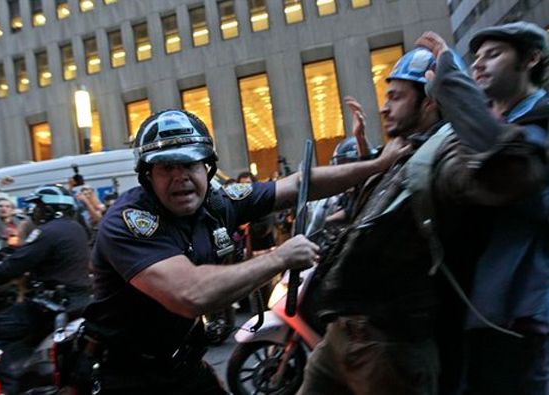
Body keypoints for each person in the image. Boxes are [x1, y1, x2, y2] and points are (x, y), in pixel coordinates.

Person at [79, 109, 409, 394]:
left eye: (190, 164)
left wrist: (377, 165)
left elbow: (298, 185)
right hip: (125, 379)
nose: (180, 177)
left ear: (207, 167)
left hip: (183, 366)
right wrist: (279, 257)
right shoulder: (129, 221)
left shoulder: (218, 201)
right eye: (166, 167)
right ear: (148, 176)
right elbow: (190, 293)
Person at [297, 40, 546, 395]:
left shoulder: (447, 154)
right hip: (341, 334)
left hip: (390, 345)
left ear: (429, 100)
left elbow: (510, 172)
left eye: (396, 97)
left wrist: (453, 83)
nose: (384, 108)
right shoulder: (401, 152)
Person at [418, 23, 549, 394]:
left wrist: (450, 78)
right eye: (475, 58)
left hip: (522, 307)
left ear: (531, 59)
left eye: (493, 55)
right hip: (480, 308)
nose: (479, 65)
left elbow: (505, 167)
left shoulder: (540, 120)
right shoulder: (490, 119)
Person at [0, 184, 92, 394]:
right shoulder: (76, 228)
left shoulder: (47, 232)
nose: (34, 212)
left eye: (38, 207)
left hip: (49, 307)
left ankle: (10, 386)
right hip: (77, 302)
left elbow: (14, 265)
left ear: (49, 209)